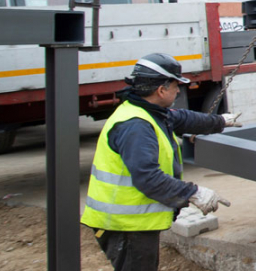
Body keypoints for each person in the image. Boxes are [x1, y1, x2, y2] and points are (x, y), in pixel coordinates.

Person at [81, 53, 242, 271]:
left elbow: (183, 118)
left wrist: (219, 121)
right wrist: (193, 193)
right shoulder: (136, 126)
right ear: (161, 89)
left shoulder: (149, 111)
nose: (178, 90)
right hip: (124, 226)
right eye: (176, 85)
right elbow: (148, 177)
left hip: (131, 223)